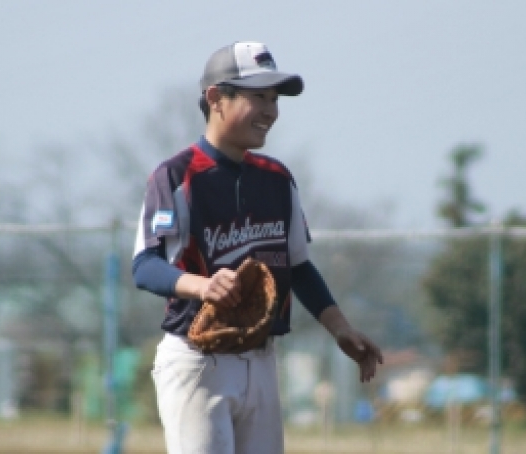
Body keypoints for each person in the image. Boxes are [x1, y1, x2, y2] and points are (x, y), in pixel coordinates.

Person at [132, 41, 383, 454]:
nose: (271, 111)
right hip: (198, 360)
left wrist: (340, 328)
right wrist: (202, 286)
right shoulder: (176, 176)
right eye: (258, 97)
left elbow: (298, 267)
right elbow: (145, 266)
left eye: (274, 98)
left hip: (262, 360)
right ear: (216, 98)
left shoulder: (276, 179)